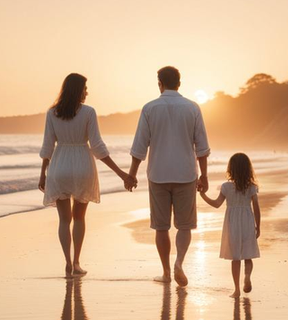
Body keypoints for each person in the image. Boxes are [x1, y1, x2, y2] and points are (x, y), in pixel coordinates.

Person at [39, 73, 136, 277]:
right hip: (83, 165)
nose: (87, 92)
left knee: (64, 220)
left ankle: (66, 262)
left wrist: (42, 174)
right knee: (79, 218)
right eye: (85, 88)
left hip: (60, 166)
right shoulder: (89, 112)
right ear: (78, 90)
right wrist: (121, 174)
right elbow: (98, 147)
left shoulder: (52, 113)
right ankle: (76, 263)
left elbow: (47, 146)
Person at [129, 66, 210, 287]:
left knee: (161, 226)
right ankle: (179, 263)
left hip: (158, 174)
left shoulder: (149, 108)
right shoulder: (192, 108)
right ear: (179, 83)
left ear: (159, 83)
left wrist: (131, 175)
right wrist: (204, 176)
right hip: (186, 174)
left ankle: (165, 272)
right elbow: (201, 147)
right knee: (185, 226)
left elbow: (139, 147)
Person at [199, 153, 261, 297]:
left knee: (235, 258)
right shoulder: (252, 187)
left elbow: (216, 204)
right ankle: (247, 276)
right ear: (248, 169)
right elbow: (256, 208)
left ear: (230, 169)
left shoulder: (226, 187)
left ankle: (237, 290)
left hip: (232, 224)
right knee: (248, 255)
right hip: (247, 222)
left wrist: (202, 195)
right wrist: (258, 226)